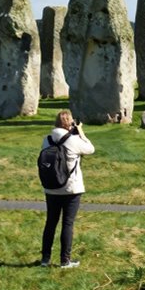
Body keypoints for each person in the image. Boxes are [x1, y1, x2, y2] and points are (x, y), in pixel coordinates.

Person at [41, 110, 95, 268]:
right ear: (70, 123)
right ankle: (65, 260)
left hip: (51, 187)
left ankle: (45, 258)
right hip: (71, 188)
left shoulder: (47, 139)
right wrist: (81, 132)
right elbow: (90, 149)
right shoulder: (73, 140)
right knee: (67, 223)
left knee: (51, 222)